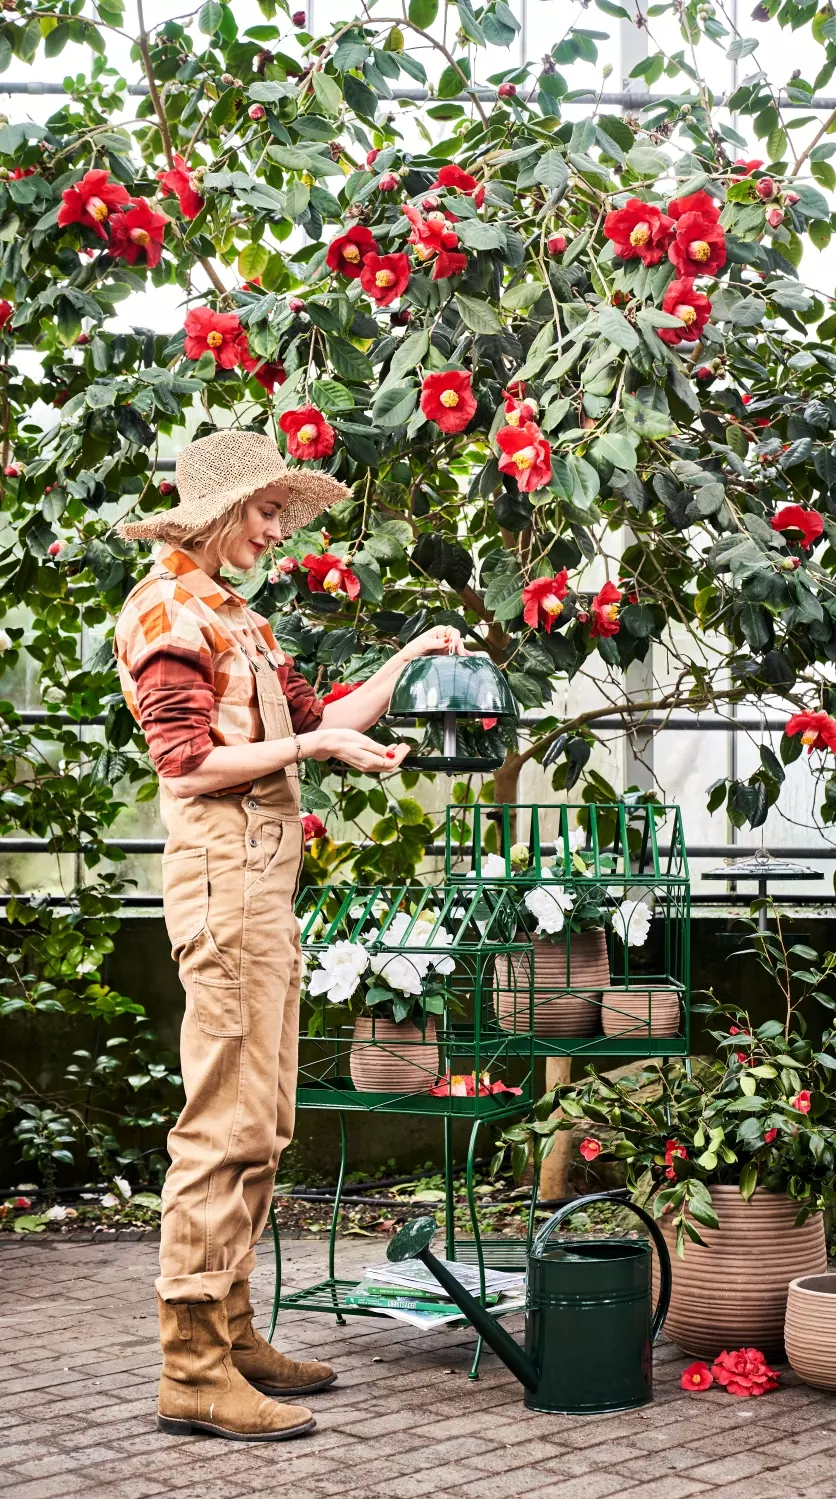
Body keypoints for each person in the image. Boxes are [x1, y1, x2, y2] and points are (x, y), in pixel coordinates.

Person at [113, 428, 466, 1443]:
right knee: (220, 1123)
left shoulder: (240, 619)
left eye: (278, 513)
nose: (276, 531)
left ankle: (231, 1330)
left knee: (263, 1120)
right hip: (223, 884)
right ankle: (191, 1364)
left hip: (263, 888)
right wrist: (312, 742)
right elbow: (185, 764)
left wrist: (405, 659)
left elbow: (320, 714)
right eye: (264, 513)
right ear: (217, 512)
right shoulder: (170, 610)